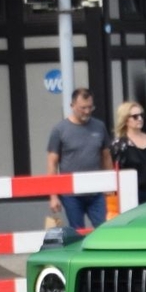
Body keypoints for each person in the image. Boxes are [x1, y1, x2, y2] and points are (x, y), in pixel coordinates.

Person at [44, 86, 111, 235]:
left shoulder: (99, 126)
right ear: (72, 106)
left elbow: (106, 156)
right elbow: (52, 163)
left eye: (90, 107)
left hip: (96, 190)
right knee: (77, 232)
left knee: (105, 229)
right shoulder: (60, 130)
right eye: (82, 108)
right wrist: (53, 195)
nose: (87, 111)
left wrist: (110, 185)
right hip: (71, 194)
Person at [110, 101, 146, 203]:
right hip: (131, 194)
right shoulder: (120, 144)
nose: (140, 119)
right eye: (135, 116)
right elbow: (116, 171)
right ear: (126, 120)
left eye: (141, 115)